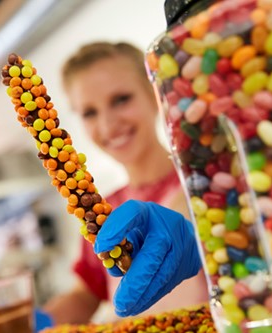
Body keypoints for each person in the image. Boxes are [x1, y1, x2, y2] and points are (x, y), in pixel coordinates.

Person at [37, 41, 208, 328]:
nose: (108, 125)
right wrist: (34, 321)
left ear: (153, 94)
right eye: (90, 112)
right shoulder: (101, 210)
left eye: (121, 99)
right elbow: (87, 294)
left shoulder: (209, 180)